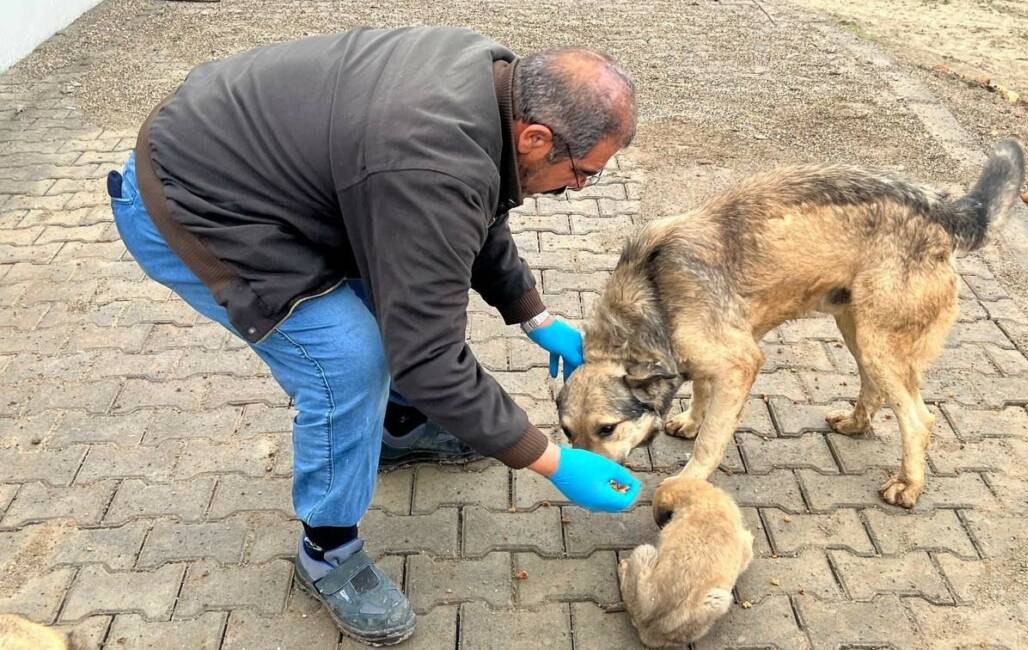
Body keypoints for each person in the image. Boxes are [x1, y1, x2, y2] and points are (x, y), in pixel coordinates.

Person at [106, 26, 641, 645]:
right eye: (583, 173)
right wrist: (550, 459)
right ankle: (326, 550)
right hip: (192, 202)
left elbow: (474, 208)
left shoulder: (495, 88)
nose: (579, 188)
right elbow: (431, 360)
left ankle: (397, 430)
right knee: (349, 361)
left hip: (267, 171)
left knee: (388, 302)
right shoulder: (430, 154)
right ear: (536, 137)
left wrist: (535, 315)